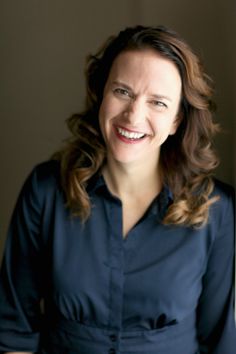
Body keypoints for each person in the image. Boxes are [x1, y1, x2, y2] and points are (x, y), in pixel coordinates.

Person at [0, 25, 235, 354]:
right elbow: (14, 332)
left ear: (177, 121)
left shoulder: (218, 209)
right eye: (123, 91)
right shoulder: (45, 191)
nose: (133, 115)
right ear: (101, 93)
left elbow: (221, 342)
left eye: (158, 102)